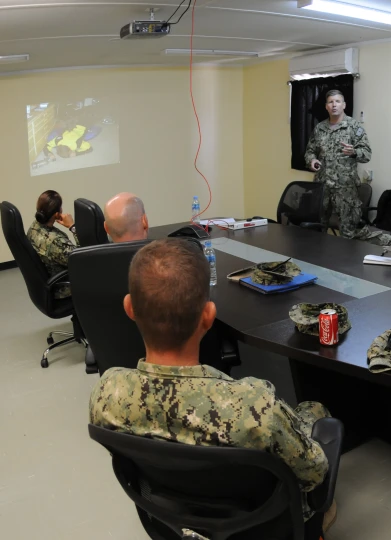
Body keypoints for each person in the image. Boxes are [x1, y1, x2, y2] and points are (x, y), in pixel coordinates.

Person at [89, 239, 336, 534]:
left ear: (129, 308)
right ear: (208, 316)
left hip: (173, 518)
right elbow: (314, 473)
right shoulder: (256, 406)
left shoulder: (107, 394)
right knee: (314, 411)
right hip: (263, 526)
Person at [304, 89, 371, 239]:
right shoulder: (320, 128)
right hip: (322, 187)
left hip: (345, 189)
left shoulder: (354, 127)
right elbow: (310, 151)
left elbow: (367, 154)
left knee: (348, 233)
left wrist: (354, 152)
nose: (334, 105)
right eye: (330, 102)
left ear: (344, 105)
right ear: (326, 106)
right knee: (317, 228)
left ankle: (346, 262)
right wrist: (312, 160)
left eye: (337, 101)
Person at [27, 190, 79, 298]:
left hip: (49, 281)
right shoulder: (56, 242)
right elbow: (81, 260)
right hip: (63, 288)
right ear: (57, 213)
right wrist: (72, 227)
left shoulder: (33, 228)